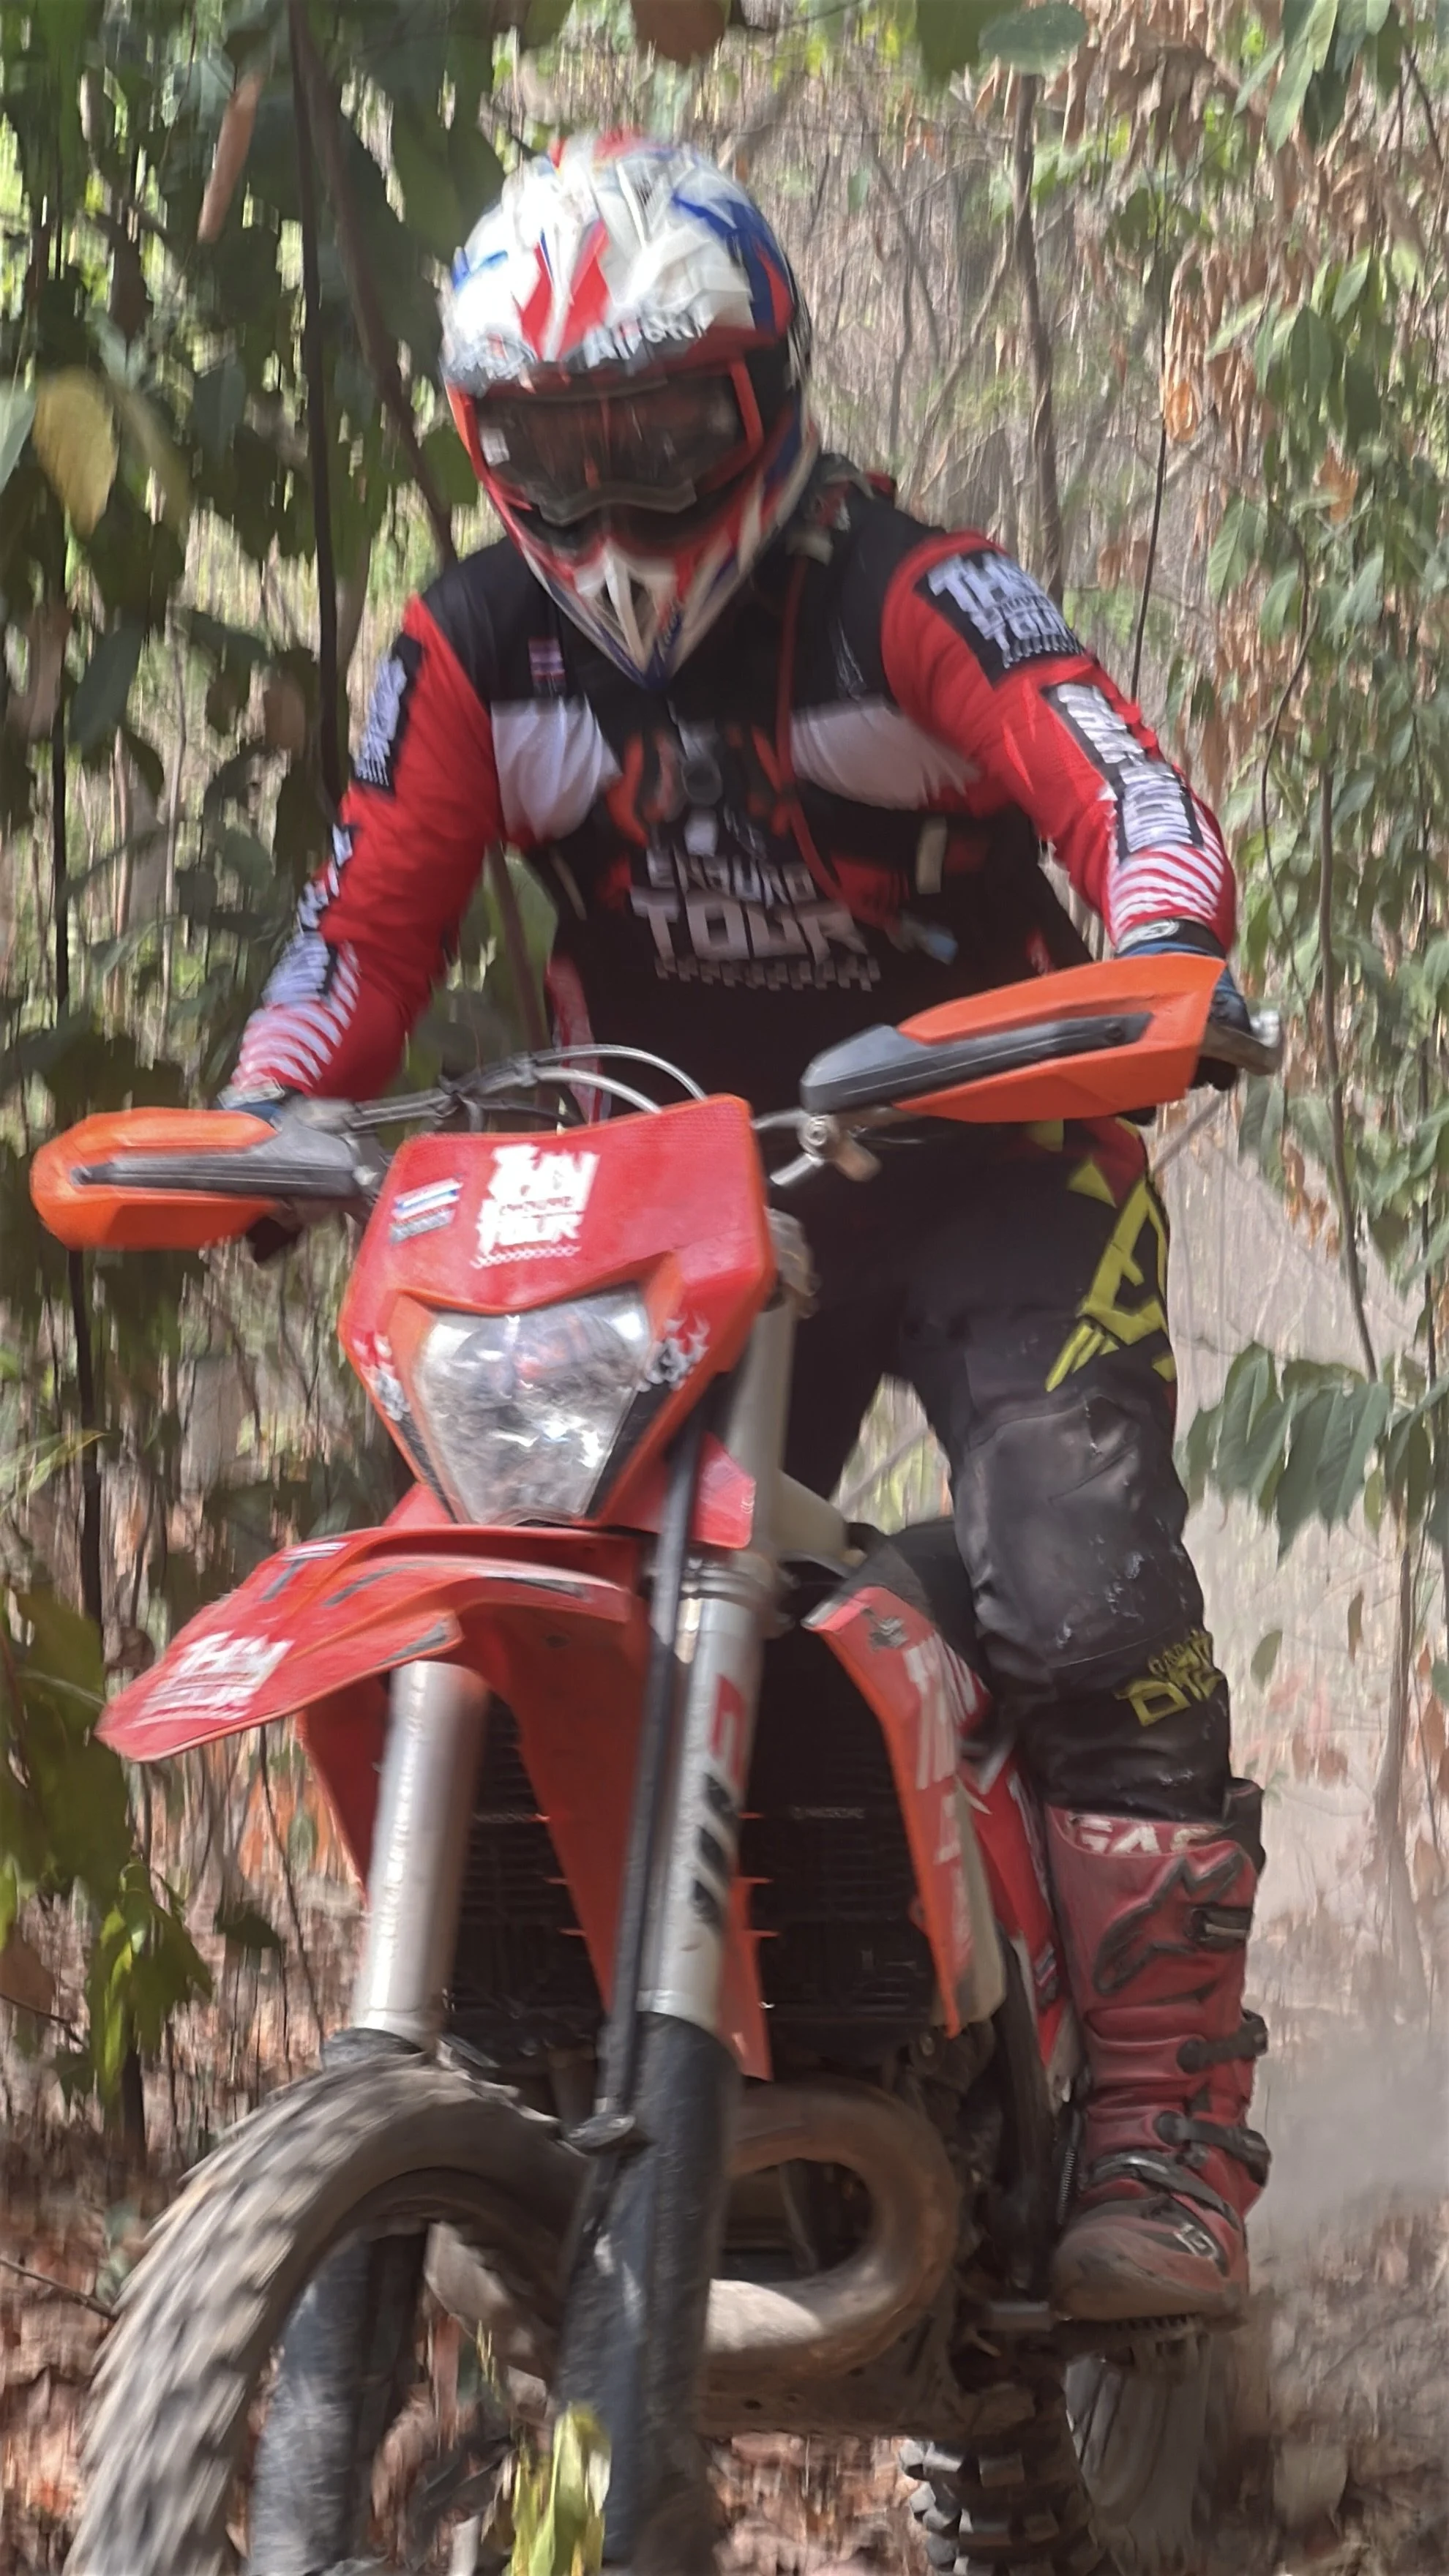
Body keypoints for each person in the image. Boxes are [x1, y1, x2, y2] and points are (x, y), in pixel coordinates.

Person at [229, 132, 1268, 2322]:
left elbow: (1124, 786)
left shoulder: (906, 587)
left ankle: (1162, 2115)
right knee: (521, 1564)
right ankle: (551, 2052)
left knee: (1075, 1587)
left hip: (988, 1149)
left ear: (764, 389)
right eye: (553, 454)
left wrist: (1166, 955)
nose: (608, 511)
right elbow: (358, 933)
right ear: (484, 449)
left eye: (659, 437)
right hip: (660, 1190)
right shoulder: (467, 647)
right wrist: (265, 1115)